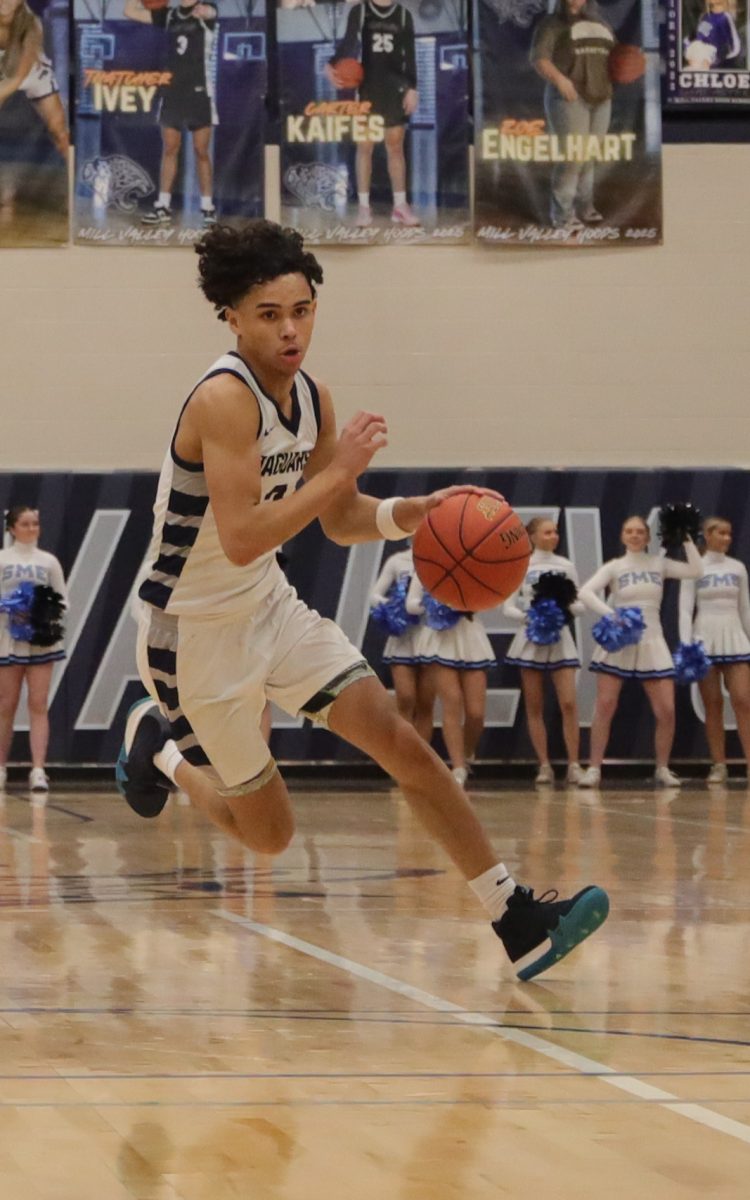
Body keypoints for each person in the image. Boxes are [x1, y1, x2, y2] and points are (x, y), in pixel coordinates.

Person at [115, 219, 608, 982]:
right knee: (269, 835)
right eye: (270, 314)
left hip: (268, 607)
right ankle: (161, 751)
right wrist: (337, 469)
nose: (290, 330)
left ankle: (515, 918)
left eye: (302, 310)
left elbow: (338, 518)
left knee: (403, 743)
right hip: (192, 633)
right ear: (233, 318)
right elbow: (243, 533)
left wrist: (406, 513)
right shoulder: (222, 399)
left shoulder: (313, 397)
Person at [577, 515, 702, 788]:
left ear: (647, 537)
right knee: (605, 706)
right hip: (620, 641)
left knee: (666, 710)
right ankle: (594, 768)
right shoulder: (615, 566)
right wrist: (613, 615)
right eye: (629, 531)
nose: (634, 535)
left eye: (640, 532)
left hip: (653, 640)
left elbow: (695, 570)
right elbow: (585, 592)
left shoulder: (659, 564)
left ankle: (662, 768)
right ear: (622, 536)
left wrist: (687, 538)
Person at [503, 517, 583, 786]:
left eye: (556, 532)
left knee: (569, 703)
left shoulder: (566, 566)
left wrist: (562, 611)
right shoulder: (521, 565)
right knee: (534, 705)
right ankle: (544, 765)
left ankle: (574, 764)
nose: (554, 536)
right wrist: (532, 617)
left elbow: (579, 603)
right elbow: (508, 607)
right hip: (531, 639)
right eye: (547, 532)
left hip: (560, 639)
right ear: (532, 536)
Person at [326, 0, 420, 229]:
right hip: (367, 89)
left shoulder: (404, 15)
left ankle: (400, 206)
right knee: (364, 147)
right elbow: (349, 42)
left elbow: (410, 55)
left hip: (395, 89)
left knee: (395, 147)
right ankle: (364, 208)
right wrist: (331, 63)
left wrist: (412, 88)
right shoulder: (360, 11)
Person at [124, 0, 218, 228]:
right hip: (173, 91)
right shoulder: (168, 15)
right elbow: (129, 11)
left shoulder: (206, 9)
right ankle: (162, 206)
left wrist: (205, 11)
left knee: (201, 150)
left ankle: (207, 207)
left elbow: (210, 12)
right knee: (170, 149)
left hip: (199, 91)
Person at [530, 0, 616, 232]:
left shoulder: (601, 23)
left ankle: (585, 207)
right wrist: (559, 79)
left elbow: (616, 59)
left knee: (589, 156)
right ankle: (562, 215)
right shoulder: (552, 24)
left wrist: (630, 64)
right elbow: (540, 58)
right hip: (570, 97)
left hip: (601, 97)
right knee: (573, 157)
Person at [405, 574, 495, 787]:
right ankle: (458, 768)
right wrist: (434, 604)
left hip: (471, 636)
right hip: (440, 637)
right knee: (451, 703)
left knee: (476, 714)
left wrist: (466, 602)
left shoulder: (474, 567)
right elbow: (411, 604)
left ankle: (465, 753)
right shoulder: (426, 568)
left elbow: (490, 599)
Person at [0, 506, 66, 795]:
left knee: (39, 703)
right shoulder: (2, 560)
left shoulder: (48, 561)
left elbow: (63, 601)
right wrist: (10, 608)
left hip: (41, 640)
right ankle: (0, 768)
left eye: (35, 523)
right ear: (12, 528)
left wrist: (42, 612)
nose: (31, 528)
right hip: (7, 639)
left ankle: (38, 770)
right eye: (25, 524)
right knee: (5, 705)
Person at [679, 516, 750, 784]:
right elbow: (685, 609)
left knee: (744, 701)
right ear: (707, 535)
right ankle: (718, 764)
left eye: (729, 534)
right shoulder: (694, 567)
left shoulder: (738, 567)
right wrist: (687, 645)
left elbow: (745, 608)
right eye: (721, 533)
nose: (727, 538)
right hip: (704, 638)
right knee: (713, 705)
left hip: (735, 638)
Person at [370, 542, 434, 742]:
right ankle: (403, 756)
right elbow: (374, 595)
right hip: (403, 636)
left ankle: (422, 763)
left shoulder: (440, 560)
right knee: (406, 698)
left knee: (426, 703)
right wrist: (394, 606)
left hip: (430, 634)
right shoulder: (397, 561)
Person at [0, 0, 69, 158]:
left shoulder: (32, 25)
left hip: (32, 72)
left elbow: (17, 77)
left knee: (60, 133)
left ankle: (79, 178)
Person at [684, 0, 741, 70]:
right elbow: (700, 36)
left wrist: (720, 58)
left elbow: (735, 48)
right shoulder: (705, 17)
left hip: (718, 63)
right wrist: (689, 45)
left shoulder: (725, 17)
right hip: (699, 60)